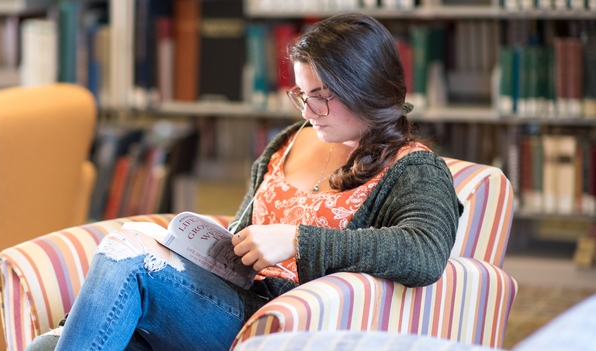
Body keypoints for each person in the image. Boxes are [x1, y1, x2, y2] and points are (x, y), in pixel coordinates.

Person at [26, 12, 463, 351]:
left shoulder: (415, 168)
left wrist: (297, 240)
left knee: (125, 255)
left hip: (277, 318)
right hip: (227, 301)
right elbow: (243, 232)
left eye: (322, 97)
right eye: (301, 95)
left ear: (366, 87)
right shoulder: (291, 141)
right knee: (49, 345)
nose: (308, 112)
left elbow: (423, 253)